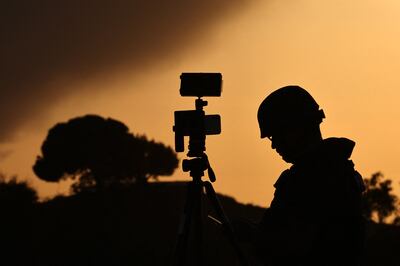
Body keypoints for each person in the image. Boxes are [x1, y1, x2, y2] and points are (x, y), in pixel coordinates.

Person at [252, 85, 365, 266]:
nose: (274, 146)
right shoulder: (340, 169)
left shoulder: (306, 180)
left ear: (297, 129)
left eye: (276, 136)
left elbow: (296, 246)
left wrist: (254, 238)